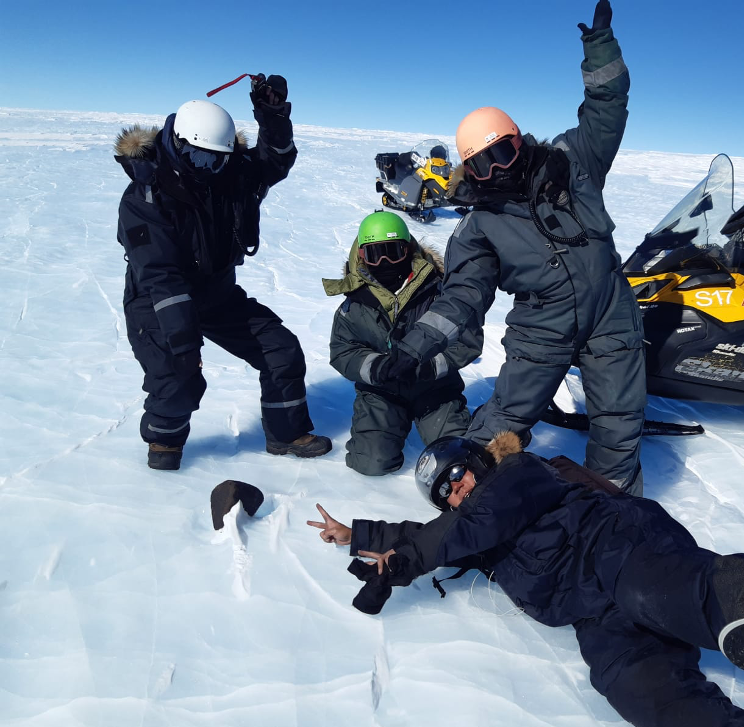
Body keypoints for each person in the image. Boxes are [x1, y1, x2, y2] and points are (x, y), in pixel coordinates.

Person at [307, 433, 744, 727]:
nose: (456, 491)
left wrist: (404, 564)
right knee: (635, 687)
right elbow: (437, 531)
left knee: (665, 592)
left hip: (618, 548)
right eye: (444, 493)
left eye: (458, 475)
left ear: (479, 461)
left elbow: (457, 530)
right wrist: (357, 533)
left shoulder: (518, 475)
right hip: (592, 611)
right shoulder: (472, 528)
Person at [371, 0, 648, 495]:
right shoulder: (479, 226)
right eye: (482, 164)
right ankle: (471, 497)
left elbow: (608, 107)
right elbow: (461, 297)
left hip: (611, 312)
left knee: (618, 424)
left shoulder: (571, 160)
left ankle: (616, 516)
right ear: (469, 171)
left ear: (518, 142)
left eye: (502, 154)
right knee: (505, 418)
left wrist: (599, 47)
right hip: (543, 328)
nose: (496, 171)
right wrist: (413, 349)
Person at [114, 75, 331, 470]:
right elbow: (160, 274)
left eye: (217, 158)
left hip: (216, 293)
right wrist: (185, 344)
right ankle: (164, 446)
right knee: (180, 380)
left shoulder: (229, 173)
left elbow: (277, 158)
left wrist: (273, 115)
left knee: (280, 349)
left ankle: (286, 434)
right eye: (199, 158)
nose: (208, 168)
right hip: (157, 299)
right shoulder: (145, 197)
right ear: (178, 145)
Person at [322, 211, 483, 475]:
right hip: (382, 391)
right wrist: (376, 368)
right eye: (376, 254)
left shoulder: (439, 291)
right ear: (362, 256)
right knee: (371, 464)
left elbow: (468, 340)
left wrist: (429, 368)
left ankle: (477, 422)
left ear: (408, 249)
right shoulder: (354, 303)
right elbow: (342, 350)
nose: (386, 262)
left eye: (393, 251)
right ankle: (389, 427)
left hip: (435, 389)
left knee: (458, 459)